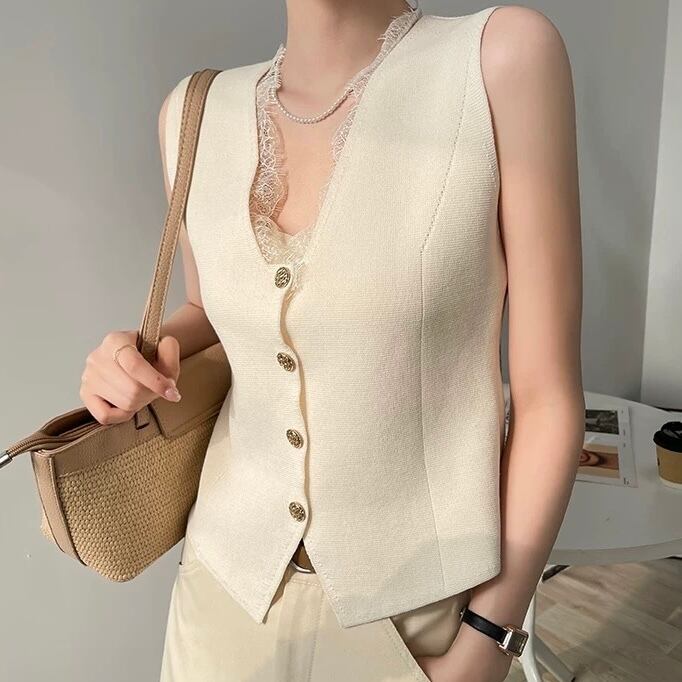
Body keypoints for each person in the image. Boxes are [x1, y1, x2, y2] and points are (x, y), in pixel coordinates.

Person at [80, 1, 584, 680]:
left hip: (418, 617)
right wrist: (131, 355)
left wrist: (488, 642)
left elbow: (549, 398)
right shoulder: (191, 114)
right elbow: (210, 309)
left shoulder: (498, 61)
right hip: (221, 594)